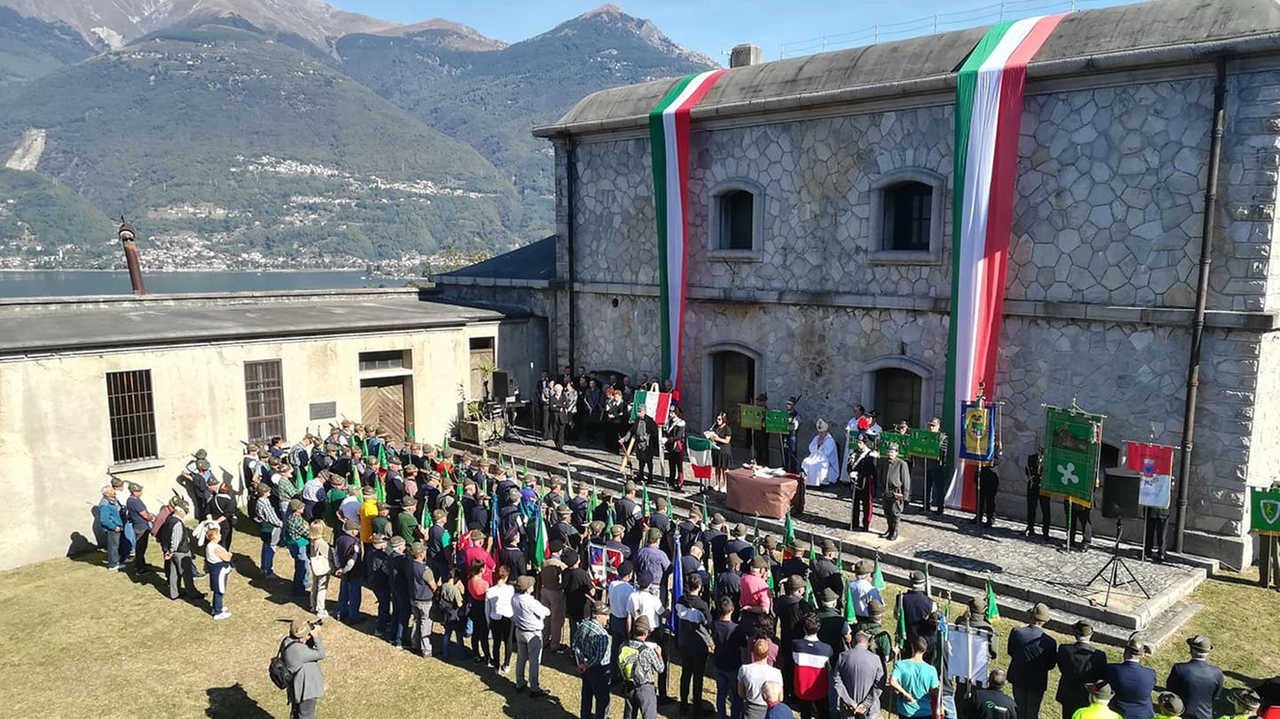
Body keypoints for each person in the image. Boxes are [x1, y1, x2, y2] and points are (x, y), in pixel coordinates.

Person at [1008, 603, 1058, 719]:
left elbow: (1011, 652)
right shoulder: (1050, 642)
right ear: (1045, 621)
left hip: (1018, 676)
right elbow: (1050, 665)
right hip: (1037, 681)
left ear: (1030, 617)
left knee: (1019, 708)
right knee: (1032, 711)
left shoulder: (1017, 632)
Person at [676, 574, 713, 717]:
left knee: (685, 674)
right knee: (698, 677)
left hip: (684, 642)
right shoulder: (702, 606)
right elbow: (708, 623)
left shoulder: (680, 601)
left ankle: (683, 705)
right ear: (699, 587)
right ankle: (697, 707)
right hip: (698, 645)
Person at [1057, 621, 1108, 719]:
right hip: (1087, 695)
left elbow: (1061, 667)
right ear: (1091, 635)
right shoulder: (1099, 655)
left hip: (1068, 694)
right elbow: (1100, 676)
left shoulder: (1064, 650)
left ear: (1075, 634)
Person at [620, 615, 665, 719]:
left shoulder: (623, 646)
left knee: (629, 715)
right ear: (646, 633)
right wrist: (659, 654)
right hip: (645, 688)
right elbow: (660, 668)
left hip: (629, 685)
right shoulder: (647, 651)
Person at [1166, 635, 1222, 719]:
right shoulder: (1217, 673)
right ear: (1207, 652)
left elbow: (1170, 691)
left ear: (1191, 650)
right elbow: (1215, 695)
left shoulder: (1179, 669)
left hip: (1182, 715)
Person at [513, 574, 551, 697]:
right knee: (534, 661)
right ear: (528, 588)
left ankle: (520, 682)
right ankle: (534, 688)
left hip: (519, 631)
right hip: (532, 633)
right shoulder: (531, 602)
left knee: (521, 658)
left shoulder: (514, 598)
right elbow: (546, 612)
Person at [280, 619, 325, 719]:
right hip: (306, 690)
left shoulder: (287, 642)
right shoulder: (299, 650)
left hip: (297, 687)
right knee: (306, 716)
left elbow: (303, 647)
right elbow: (321, 654)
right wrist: (316, 636)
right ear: (301, 638)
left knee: (295, 714)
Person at [834, 630, 885, 719]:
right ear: (867, 643)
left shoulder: (842, 657)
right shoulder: (876, 659)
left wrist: (850, 702)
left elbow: (837, 681)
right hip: (870, 710)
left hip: (848, 709)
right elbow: (879, 684)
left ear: (853, 642)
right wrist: (866, 704)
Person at [575, 601, 614, 719]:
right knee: (602, 699)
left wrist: (581, 662)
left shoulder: (583, 625)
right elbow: (599, 656)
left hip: (585, 667)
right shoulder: (603, 635)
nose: (607, 618)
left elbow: (575, 644)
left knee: (586, 695)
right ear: (597, 616)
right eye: (605, 615)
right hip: (599, 670)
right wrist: (587, 665)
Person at [791, 612, 834, 719]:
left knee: (805, 714)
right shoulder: (826, 649)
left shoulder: (796, 645)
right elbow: (829, 669)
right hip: (820, 689)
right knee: (824, 713)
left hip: (802, 689)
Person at [1104, 633, 1156, 719]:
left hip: (1117, 713)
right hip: (1142, 715)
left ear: (1125, 651)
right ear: (1142, 655)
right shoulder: (1150, 674)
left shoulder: (1111, 669)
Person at [889, 637, 941, 719]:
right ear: (925, 650)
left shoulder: (901, 665)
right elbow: (935, 691)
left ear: (912, 646)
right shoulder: (931, 670)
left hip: (906, 712)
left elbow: (892, 681)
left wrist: (905, 694)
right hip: (925, 712)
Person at [161, 499, 198, 600]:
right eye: (185, 512)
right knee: (186, 573)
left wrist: (168, 551)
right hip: (180, 551)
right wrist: (172, 551)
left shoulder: (169, 519)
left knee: (174, 573)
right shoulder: (177, 523)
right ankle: (192, 593)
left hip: (171, 551)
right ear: (180, 511)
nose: (185, 514)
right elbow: (176, 539)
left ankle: (174, 593)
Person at [739, 637, 784, 719]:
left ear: (753, 652)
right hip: (769, 709)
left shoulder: (744, 669)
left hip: (750, 709)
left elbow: (741, 693)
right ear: (768, 654)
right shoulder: (776, 673)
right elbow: (780, 698)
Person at [711, 596, 741, 719]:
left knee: (721, 693)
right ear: (732, 609)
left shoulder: (714, 624)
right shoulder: (736, 629)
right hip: (733, 666)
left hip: (719, 663)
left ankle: (721, 716)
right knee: (736, 695)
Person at [406, 540, 437, 656]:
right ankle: (426, 649)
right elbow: (433, 586)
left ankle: (415, 644)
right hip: (425, 600)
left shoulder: (410, 565)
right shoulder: (425, 570)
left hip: (414, 598)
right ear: (420, 554)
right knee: (425, 624)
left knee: (416, 621)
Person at [486, 565, 516, 672]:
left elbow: (487, 609)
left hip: (495, 618)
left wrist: (488, 621)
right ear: (506, 577)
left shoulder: (490, 591)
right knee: (508, 641)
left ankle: (497, 666)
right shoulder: (510, 589)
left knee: (496, 643)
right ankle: (506, 664)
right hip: (508, 616)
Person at [621, 404, 660, 485]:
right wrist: (624, 439)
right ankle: (640, 474)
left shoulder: (649, 421)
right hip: (638, 443)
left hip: (647, 444)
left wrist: (647, 438)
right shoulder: (637, 420)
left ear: (644, 411)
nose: (638, 413)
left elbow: (655, 432)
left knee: (648, 460)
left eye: (640, 411)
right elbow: (632, 431)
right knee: (640, 460)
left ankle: (650, 476)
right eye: (638, 411)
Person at [201, 523, 233, 620]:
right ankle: (218, 612)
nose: (220, 535)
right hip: (219, 571)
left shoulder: (210, 546)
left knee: (218, 590)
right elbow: (227, 558)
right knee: (219, 590)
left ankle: (216, 607)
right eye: (218, 534)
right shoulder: (214, 548)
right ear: (214, 536)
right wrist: (229, 554)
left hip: (216, 570)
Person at [125, 483, 156, 573]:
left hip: (138, 526)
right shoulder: (135, 502)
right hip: (141, 527)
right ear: (134, 492)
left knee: (141, 547)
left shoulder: (131, 500)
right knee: (140, 548)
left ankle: (142, 563)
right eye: (139, 491)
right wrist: (152, 519)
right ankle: (140, 568)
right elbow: (145, 515)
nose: (141, 492)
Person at [439, 568, 468, 661]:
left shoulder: (443, 586)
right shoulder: (455, 589)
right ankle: (461, 655)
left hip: (446, 613)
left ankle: (445, 653)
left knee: (447, 634)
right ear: (455, 578)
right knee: (459, 635)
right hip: (455, 614)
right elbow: (459, 604)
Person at [849, 436, 878, 531]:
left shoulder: (870, 454)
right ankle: (854, 523)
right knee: (855, 502)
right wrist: (850, 472)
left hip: (866, 480)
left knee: (866, 503)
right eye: (858, 442)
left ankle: (866, 524)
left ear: (865, 443)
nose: (858, 444)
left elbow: (872, 470)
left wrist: (860, 474)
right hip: (855, 481)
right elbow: (849, 465)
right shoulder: (854, 452)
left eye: (860, 442)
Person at [255, 484, 283, 578]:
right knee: (270, 549)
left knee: (265, 547)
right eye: (268, 491)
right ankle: (268, 571)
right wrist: (282, 524)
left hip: (263, 526)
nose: (269, 492)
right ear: (264, 492)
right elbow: (272, 518)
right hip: (270, 528)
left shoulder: (259, 501)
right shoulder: (265, 503)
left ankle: (264, 568)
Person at [285, 499, 311, 597]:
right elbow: (307, 533)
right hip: (299, 545)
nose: (304, 508)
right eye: (302, 507)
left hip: (294, 543)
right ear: (297, 509)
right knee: (302, 566)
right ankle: (298, 589)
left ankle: (304, 583)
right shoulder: (296, 520)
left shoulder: (291, 516)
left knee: (302, 565)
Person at [882, 444, 909, 541]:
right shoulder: (885, 462)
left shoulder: (902, 464)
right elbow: (882, 475)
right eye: (889, 452)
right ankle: (889, 529)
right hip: (886, 491)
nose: (890, 454)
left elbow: (906, 480)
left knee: (895, 513)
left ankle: (894, 531)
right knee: (887, 512)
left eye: (892, 452)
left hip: (896, 492)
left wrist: (905, 495)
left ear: (897, 453)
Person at [923, 417, 949, 514]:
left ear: (938, 426)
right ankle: (926, 504)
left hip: (938, 465)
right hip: (928, 463)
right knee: (926, 486)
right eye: (930, 425)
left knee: (938, 488)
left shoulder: (943, 438)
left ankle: (940, 507)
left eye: (933, 426)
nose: (931, 428)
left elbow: (944, 452)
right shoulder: (925, 436)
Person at [307, 520, 332, 617]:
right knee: (322, 587)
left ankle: (313, 605)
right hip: (322, 567)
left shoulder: (312, 540)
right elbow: (328, 555)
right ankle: (320, 609)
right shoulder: (321, 543)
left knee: (315, 585)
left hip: (315, 566)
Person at [1025, 449, 1051, 539]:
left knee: (1046, 510)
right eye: (1040, 450)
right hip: (1033, 486)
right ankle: (1030, 527)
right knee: (1031, 508)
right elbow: (1027, 470)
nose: (1042, 452)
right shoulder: (1032, 458)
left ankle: (1045, 531)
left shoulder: (1049, 460)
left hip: (1044, 487)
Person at [98, 485, 125, 570]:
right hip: (112, 528)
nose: (114, 491)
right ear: (106, 493)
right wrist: (113, 527)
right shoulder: (105, 504)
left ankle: (118, 560)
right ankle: (112, 564)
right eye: (111, 490)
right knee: (113, 546)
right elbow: (104, 520)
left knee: (117, 545)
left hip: (118, 525)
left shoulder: (113, 500)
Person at [707, 412, 733, 490]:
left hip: (724, 450)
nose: (717, 421)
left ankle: (725, 485)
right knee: (717, 468)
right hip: (716, 450)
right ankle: (717, 483)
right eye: (717, 419)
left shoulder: (727, 429)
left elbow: (727, 440)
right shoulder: (716, 428)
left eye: (719, 419)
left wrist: (718, 439)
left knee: (724, 468)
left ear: (723, 420)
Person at [783, 397, 801, 474]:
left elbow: (795, 427)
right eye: (787, 403)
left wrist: (786, 426)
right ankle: (785, 468)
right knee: (785, 453)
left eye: (790, 404)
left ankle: (793, 470)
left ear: (793, 405)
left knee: (792, 453)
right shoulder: (783, 414)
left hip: (792, 436)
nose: (788, 405)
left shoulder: (796, 415)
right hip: (784, 435)